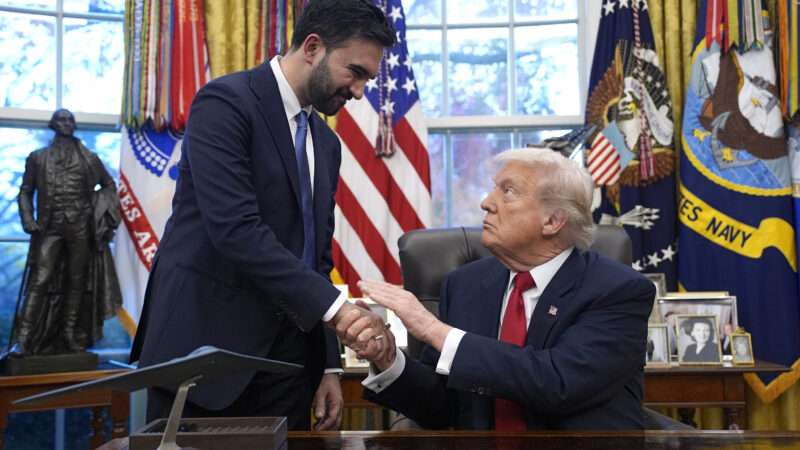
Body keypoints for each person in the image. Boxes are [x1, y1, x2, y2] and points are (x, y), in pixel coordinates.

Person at [129, 0, 396, 430]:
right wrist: (341, 312)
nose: (360, 90)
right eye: (356, 72)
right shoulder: (226, 103)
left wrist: (326, 365)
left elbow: (315, 258)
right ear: (312, 47)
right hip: (205, 356)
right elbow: (235, 230)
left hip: (287, 366)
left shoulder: (327, 145)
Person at [358, 148, 655, 430]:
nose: (486, 202)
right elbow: (442, 406)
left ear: (552, 221)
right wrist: (387, 358)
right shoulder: (464, 285)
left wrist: (433, 329)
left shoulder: (618, 290)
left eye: (508, 191)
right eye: (494, 188)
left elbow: (557, 383)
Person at [13, 109, 121, 356]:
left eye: (71, 119)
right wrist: (28, 219)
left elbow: (108, 185)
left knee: (77, 281)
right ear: (53, 124)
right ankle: (24, 338)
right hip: (49, 228)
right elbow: (25, 191)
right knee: (40, 280)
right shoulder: (38, 158)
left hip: (80, 227)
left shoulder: (89, 158)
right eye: (62, 119)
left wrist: (97, 210)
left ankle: (70, 335)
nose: (67, 123)